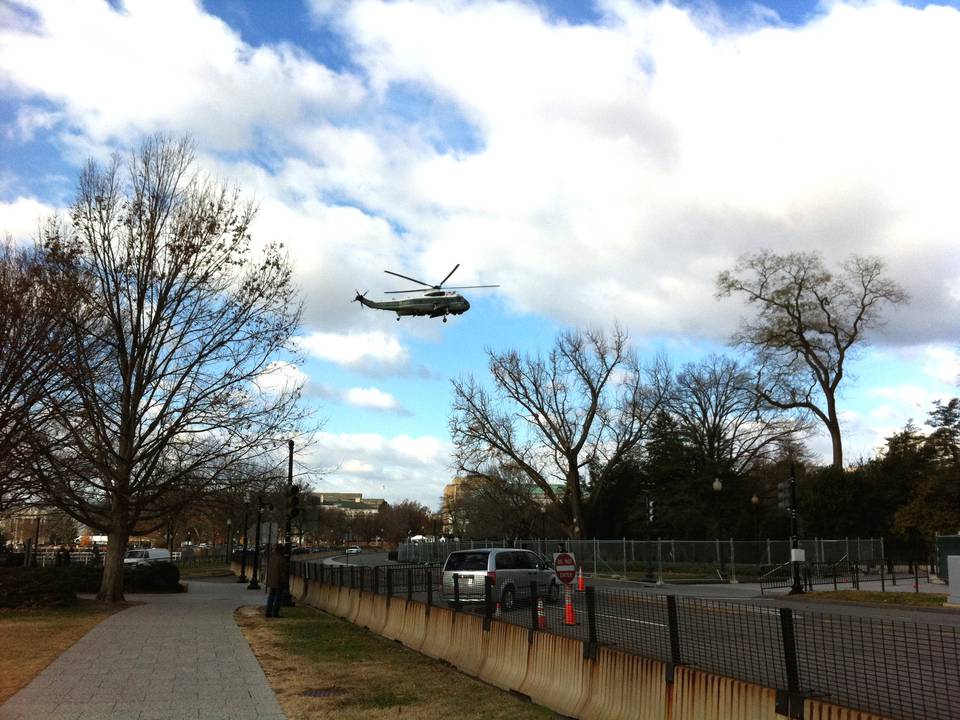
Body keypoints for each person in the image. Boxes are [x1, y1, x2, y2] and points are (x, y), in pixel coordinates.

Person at [264, 543, 289, 618]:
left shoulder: (272, 558)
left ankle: (268, 612)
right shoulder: (281, 559)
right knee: (278, 598)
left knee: (271, 596)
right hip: (279, 581)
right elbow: (282, 572)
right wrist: (284, 582)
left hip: (272, 580)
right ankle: (275, 613)